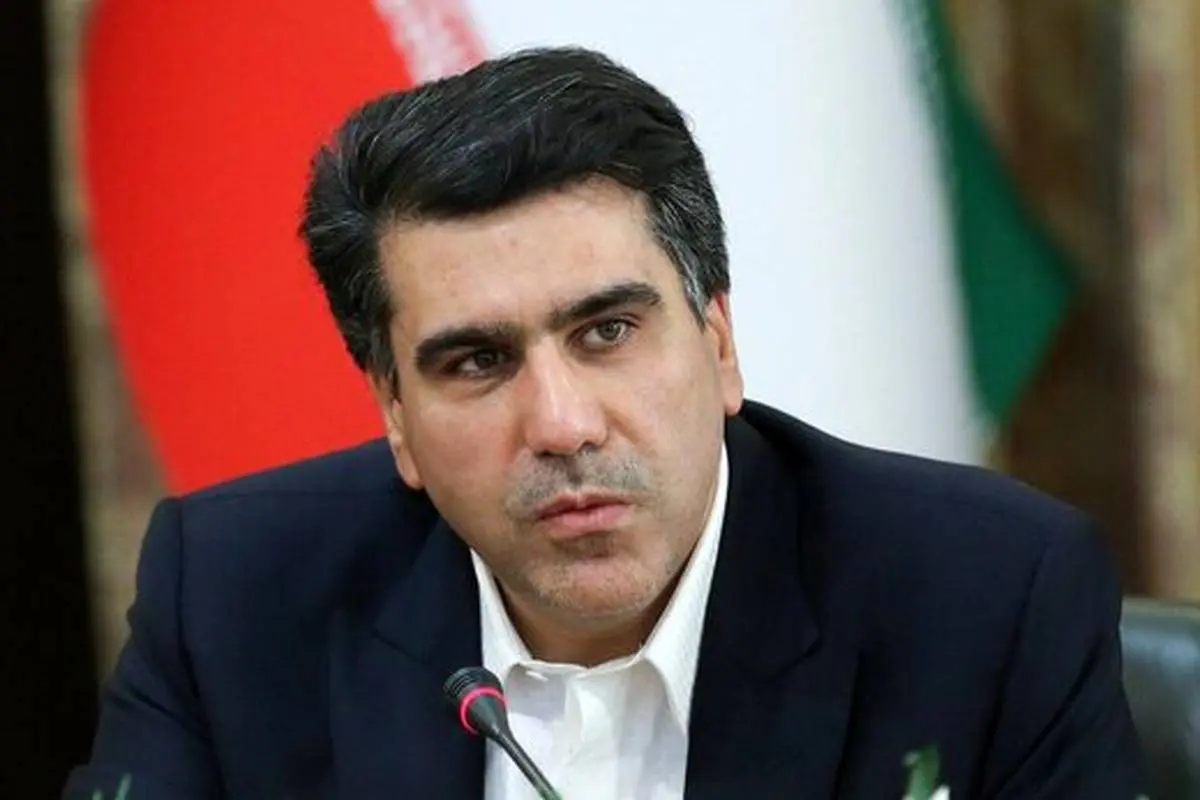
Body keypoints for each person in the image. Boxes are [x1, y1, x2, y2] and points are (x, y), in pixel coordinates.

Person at [66, 46, 1146, 799]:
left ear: (717, 341)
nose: (562, 423)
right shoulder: (237, 596)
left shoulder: (988, 595)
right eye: (477, 362)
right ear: (394, 412)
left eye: (607, 331)